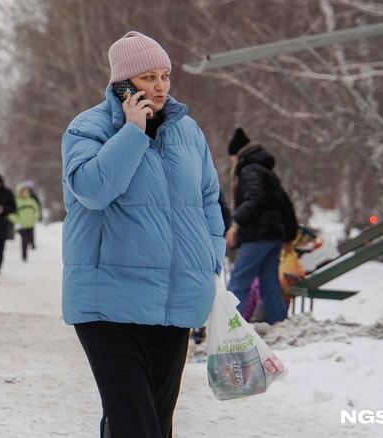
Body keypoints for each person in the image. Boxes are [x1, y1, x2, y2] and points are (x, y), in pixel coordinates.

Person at [61, 31, 225, 438]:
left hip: (173, 301)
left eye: (165, 75)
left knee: (152, 420)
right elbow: (94, 191)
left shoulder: (189, 133)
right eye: (148, 76)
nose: (159, 86)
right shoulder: (88, 129)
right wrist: (131, 132)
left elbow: (209, 202)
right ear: (122, 82)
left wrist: (209, 260)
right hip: (109, 301)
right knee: (135, 421)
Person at [225, 128, 298, 325]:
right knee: (269, 285)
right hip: (272, 235)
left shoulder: (249, 171)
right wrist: (288, 233)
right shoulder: (264, 170)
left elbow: (254, 199)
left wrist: (236, 224)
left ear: (237, 155)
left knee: (239, 280)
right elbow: (284, 203)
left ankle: (230, 326)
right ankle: (280, 324)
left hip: (258, 234)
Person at [9, 183, 41, 261]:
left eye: (25, 191)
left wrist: (35, 217)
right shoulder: (16, 201)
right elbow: (11, 213)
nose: (24, 193)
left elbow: (36, 209)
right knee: (24, 240)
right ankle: (24, 255)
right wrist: (17, 220)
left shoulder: (31, 200)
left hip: (31, 223)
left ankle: (32, 245)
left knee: (31, 236)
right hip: (22, 224)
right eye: (22, 191)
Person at [23, 180, 42, 249]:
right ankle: (28, 242)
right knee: (27, 230)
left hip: (31, 216)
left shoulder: (33, 196)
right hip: (24, 216)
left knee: (31, 230)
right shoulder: (23, 195)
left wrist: (37, 214)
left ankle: (31, 242)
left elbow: (38, 205)